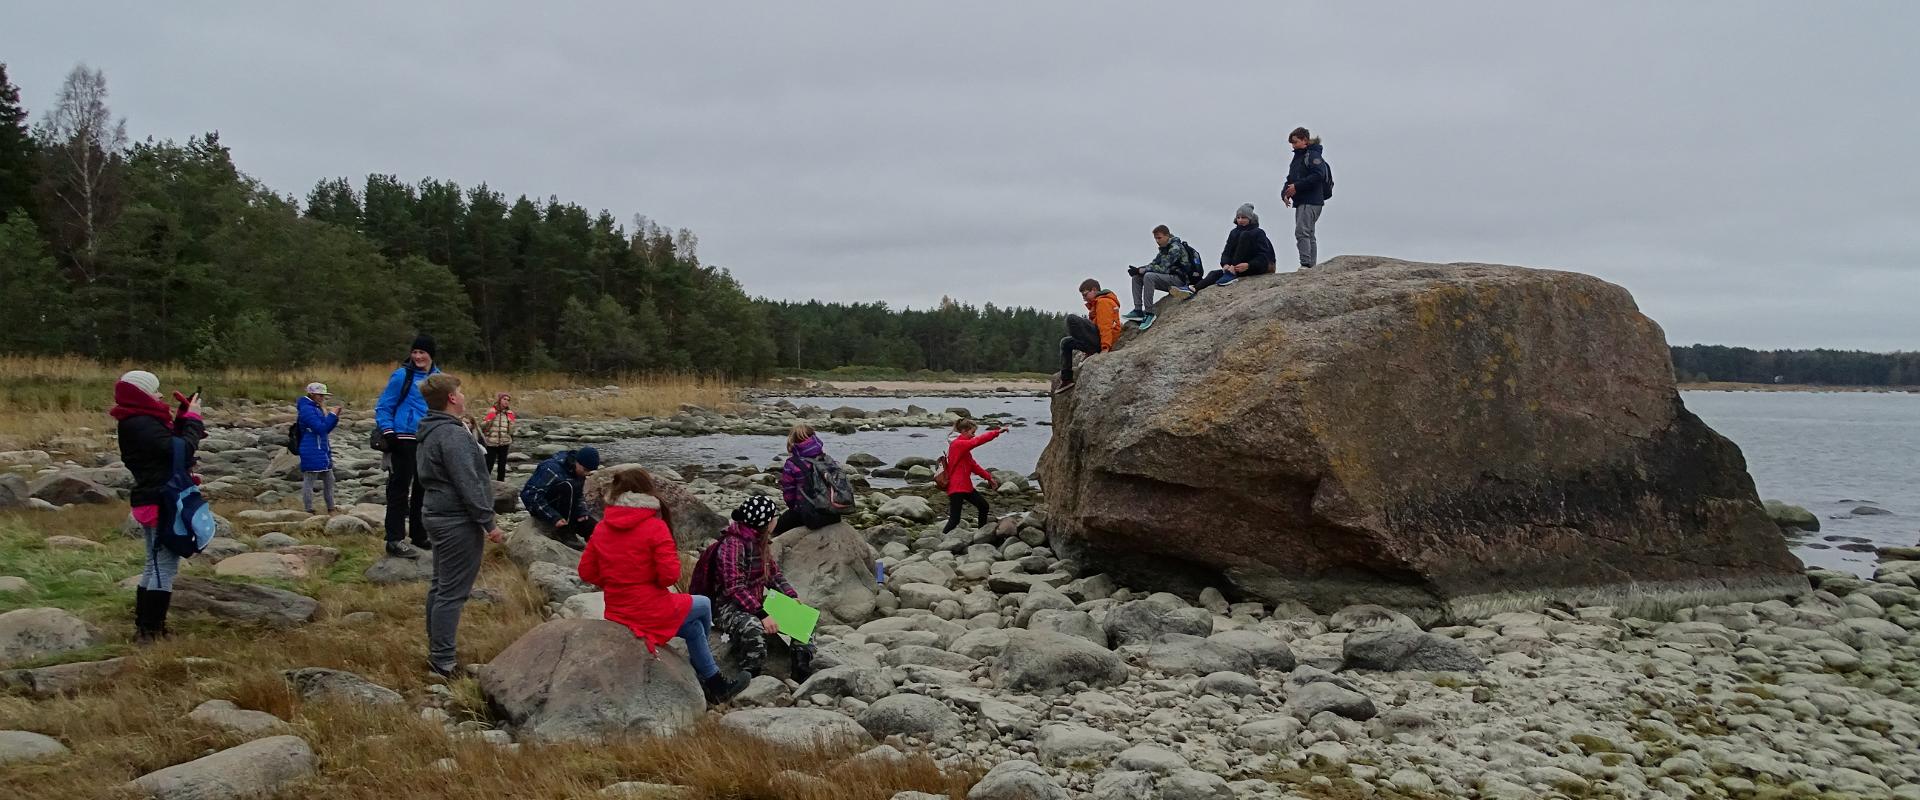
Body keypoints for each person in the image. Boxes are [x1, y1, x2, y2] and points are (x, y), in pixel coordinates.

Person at [579, 466, 750, 705]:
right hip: (649, 609)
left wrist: (615, 581)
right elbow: (669, 576)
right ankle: (713, 678)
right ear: (647, 493)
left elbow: (586, 572)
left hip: (618, 609)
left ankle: (710, 677)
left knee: (693, 630)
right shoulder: (654, 527)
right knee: (702, 604)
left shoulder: (602, 528)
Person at [413, 373, 506, 677]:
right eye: (460, 391)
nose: (464, 395)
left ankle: (438, 651)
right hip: (455, 519)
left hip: (438, 513)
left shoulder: (432, 428)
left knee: (441, 586)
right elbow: (468, 481)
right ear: (452, 398)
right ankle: (443, 661)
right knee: (452, 591)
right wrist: (488, 522)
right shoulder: (451, 434)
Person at [115, 370, 205, 644]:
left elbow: (167, 448)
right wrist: (193, 420)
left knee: (153, 563)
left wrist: (181, 417)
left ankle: (146, 627)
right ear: (141, 394)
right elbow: (180, 451)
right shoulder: (141, 422)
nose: (160, 394)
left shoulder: (138, 420)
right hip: (160, 500)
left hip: (153, 496)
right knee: (164, 567)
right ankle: (151, 632)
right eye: (155, 390)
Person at [709, 495, 816, 682]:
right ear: (766, 522)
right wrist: (762, 614)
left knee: (804, 620)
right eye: (774, 516)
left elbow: (773, 575)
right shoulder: (733, 545)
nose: (777, 520)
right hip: (727, 607)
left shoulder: (761, 542)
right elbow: (734, 587)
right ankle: (750, 674)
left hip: (755, 603)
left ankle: (801, 668)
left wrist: (790, 596)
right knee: (754, 629)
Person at [375, 335, 442, 559]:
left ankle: (419, 535)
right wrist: (388, 431)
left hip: (428, 439)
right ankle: (394, 540)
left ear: (431, 354)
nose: (418, 356)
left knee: (424, 489)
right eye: (415, 352)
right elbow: (384, 405)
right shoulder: (402, 375)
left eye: (422, 353)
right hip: (402, 438)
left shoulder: (439, 378)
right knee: (399, 490)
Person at [521, 446, 601, 550]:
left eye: (589, 471)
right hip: (546, 510)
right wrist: (554, 517)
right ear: (577, 461)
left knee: (595, 528)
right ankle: (565, 532)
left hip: (566, 507)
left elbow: (579, 495)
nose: (586, 474)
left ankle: (597, 549)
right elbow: (529, 495)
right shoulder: (551, 468)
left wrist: (582, 511)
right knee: (569, 486)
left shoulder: (578, 471)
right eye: (585, 470)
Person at [1122, 225, 1197, 326]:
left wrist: (1143, 270)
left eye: (1159, 238)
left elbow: (1163, 269)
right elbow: (1154, 264)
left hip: (1180, 281)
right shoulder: (1164, 249)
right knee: (1137, 277)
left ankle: (1149, 313)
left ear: (1167, 236)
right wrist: (1138, 270)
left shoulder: (1175, 248)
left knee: (1149, 276)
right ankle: (1138, 310)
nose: (1157, 241)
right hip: (1169, 279)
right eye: (1155, 238)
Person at [1057, 278, 1121, 394]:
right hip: (1096, 341)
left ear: (1094, 290)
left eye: (1085, 294)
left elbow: (1105, 326)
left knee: (1071, 319)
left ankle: (1092, 350)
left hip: (1101, 342)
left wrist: (1105, 348)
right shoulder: (1095, 305)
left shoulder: (1103, 302)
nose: (1083, 298)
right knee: (1065, 342)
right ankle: (1066, 380)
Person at [1281, 127, 1331, 269]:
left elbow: (1318, 175)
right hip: (1304, 201)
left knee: (1302, 231)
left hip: (1311, 200)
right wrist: (1285, 193)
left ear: (1305, 140)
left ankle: (1306, 264)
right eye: (1292, 143)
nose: (1293, 145)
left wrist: (1297, 187)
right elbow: (1290, 179)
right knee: (1309, 232)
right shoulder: (1298, 158)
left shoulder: (1313, 155)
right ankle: (1310, 265)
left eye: (1295, 142)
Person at [774, 425, 838, 535]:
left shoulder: (792, 464)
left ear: (792, 441)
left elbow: (789, 495)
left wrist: (795, 509)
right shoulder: (826, 460)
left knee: (776, 529)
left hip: (808, 515)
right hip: (833, 514)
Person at [1195, 204, 1277, 290]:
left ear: (1250, 219)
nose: (1240, 220)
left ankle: (1232, 273)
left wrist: (1248, 265)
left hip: (1259, 266)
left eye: (1244, 217)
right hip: (1236, 268)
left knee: (1245, 236)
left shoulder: (1258, 233)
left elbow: (1264, 257)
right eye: (1238, 217)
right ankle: (1193, 289)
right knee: (1213, 274)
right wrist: (1225, 264)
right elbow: (1227, 251)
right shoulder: (1234, 232)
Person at [942, 419, 1004, 533]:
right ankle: (942, 539)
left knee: (983, 506)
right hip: (956, 487)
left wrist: (989, 478)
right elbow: (977, 441)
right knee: (955, 519)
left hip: (965, 487)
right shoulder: (957, 444)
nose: (974, 435)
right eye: (972, 432)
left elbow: (974, 466)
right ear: (964, 431)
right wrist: (996, 432)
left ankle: (981, 533)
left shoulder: (963, 449)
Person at [296, 382, 342, 514]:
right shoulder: (307, 409)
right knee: (309, 480)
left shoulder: (315, 407)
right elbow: (320, 428)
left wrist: (333, 417)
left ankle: (331, 507)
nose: (322, 398)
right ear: (311, 394)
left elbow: (325, 430)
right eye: (320, 395)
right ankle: (309, 509)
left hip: (321, 448)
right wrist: (332, 416)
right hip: (311, 448)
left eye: (323, 396)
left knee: (329, 479)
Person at [479, 392, 516, 482]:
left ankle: (501, 485)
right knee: (489, 465)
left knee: (502, 466)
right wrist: (489, 419)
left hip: (504, 442)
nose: (506, 401)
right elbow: (482, 427)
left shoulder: (509, 413)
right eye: (504, 399)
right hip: (491, 442)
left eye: (508, 400)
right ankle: (485, 484)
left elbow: (511, 431)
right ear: (499, 400)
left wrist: (512, 423)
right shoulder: (491, 411)